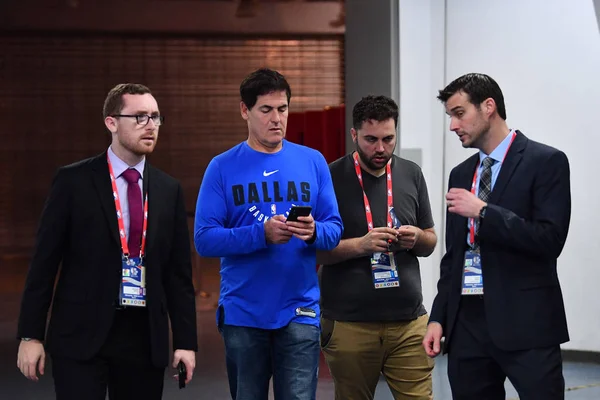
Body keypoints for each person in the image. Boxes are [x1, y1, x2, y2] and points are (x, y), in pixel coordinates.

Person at [16, 83, 198, 400]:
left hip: (144, 338)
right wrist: (30, 335)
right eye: (139, 117)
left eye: (155, 117)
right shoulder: (73, 182)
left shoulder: (168, 190)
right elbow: (44, 265)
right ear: (111, 122)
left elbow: (178, 276)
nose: (150, 125)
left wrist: (185, 342)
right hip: (80, 334)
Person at [194, 68, 343, 400]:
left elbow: (334, 231)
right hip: (244, 312)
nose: (277, 119)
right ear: (245, 111)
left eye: (283, 109)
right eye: (266, 110)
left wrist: (314, 230)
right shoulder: (222, 167)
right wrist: (259, 234)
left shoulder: (313, 161)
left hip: (299, 309)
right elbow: (204, 239)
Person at [423, 73, 571, 400]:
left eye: (459, 114)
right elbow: (454, 257)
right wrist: (438, 317)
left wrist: (485, 212)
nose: (452, 126)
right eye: (450, 116)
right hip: (467, 327)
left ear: (489, 107)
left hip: (526, 322)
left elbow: (550, 239)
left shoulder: (546, 162)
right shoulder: (461, 174)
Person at [317, 95, 437, 400]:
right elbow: (316, 252)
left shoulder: (411, 173)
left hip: (410, 323)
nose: (381, 148)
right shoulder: (330, 177)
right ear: (354, 134)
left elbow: (431, 239)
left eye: (388, 138)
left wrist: (417, 239)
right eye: (371, 139)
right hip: (350, 324)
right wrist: (361, 245)